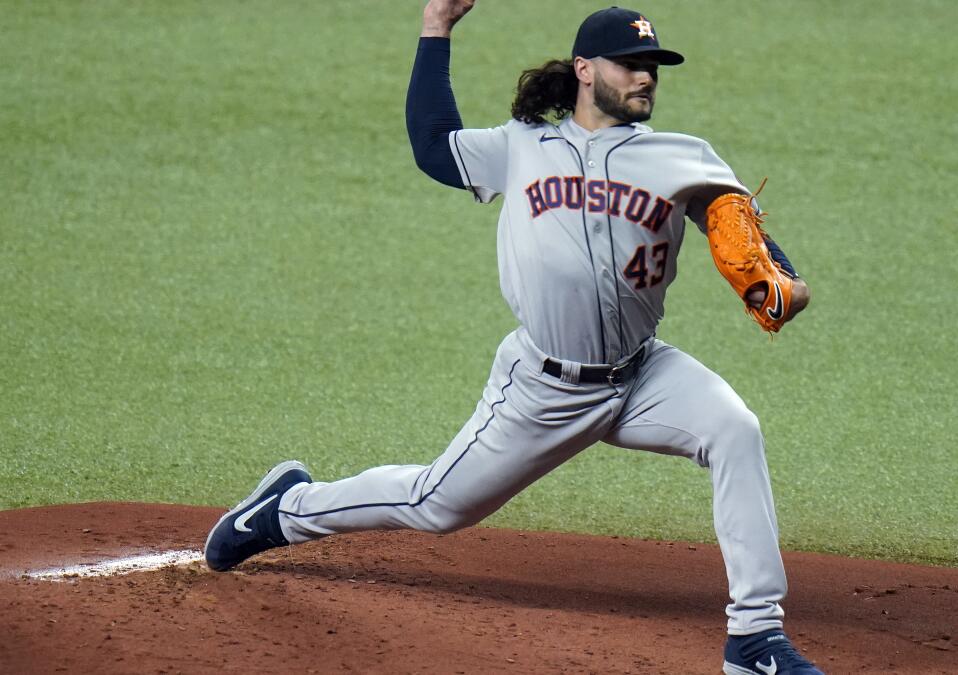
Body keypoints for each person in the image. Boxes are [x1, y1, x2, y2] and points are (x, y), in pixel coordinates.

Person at [204, 2, 820, 673]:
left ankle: (755, 640)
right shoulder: (522, 145)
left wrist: (784, 282)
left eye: (653, 67)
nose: (646, 77)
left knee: (735, 428)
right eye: (630, 64)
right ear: (585, 70)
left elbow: (754, 250)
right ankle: (285, 508)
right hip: (542, 388)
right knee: (434, 504)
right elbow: (434, 146)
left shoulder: (685, 158)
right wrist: (435, 26)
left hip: (642, 376)